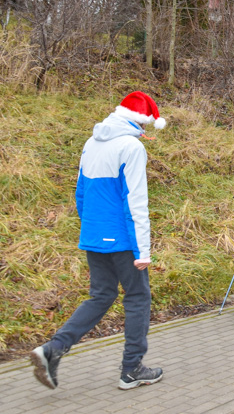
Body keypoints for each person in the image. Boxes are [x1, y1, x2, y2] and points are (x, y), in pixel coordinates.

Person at [30, 91, 166, 391]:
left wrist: (92, 229)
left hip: (94, 235)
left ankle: (53, 349)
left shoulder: (91, 143)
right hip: (122, 239)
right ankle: (132, 369)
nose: (144, 133)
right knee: (138, 297)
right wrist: (143, 249)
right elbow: (136, 201)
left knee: (101, 295)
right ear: (139, 122)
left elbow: (81, 193)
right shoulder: (131, 147)